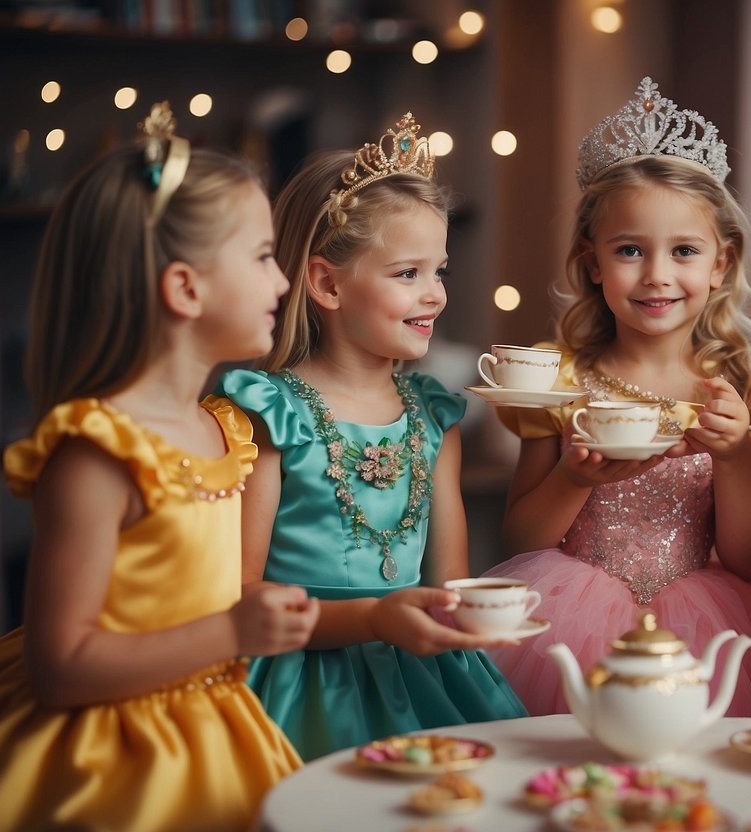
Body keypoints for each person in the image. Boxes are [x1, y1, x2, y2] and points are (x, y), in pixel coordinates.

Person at [0, 102, 321, 831]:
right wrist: (232, 633)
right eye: (262, 257)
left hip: (216, 728)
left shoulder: (222, 427)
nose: (283, 282)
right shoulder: (99, 452)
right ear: (185, 290)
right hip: (111, 762)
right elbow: (60, 665)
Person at [482, 77, 751, 717]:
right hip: (565, 620)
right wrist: (574, 477)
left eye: (684, 251)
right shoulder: (556, 378)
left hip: (708, 627)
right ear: (593, 261)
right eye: (630, 250)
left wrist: (736, 455)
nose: (657, 275)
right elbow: (520, 537)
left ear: (720, 264)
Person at [217, 113, 527, 760]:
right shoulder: (266, 414)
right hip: (296, 684)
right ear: (327, 283)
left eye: (439, 271)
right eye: (407, 273)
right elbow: (239, 600)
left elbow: (449, 585)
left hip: (423, 678)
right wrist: (368, 619)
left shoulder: (434, 418)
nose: (435, 295)